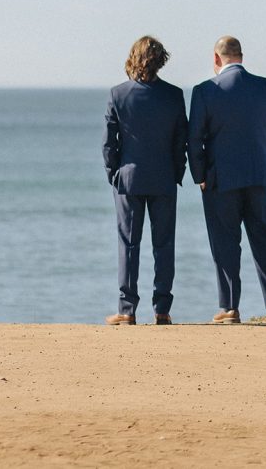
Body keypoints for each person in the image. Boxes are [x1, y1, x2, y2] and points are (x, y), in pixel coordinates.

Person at [188, 36, 266, 325]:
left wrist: (200, 176)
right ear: (242, 56)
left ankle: (229, 308)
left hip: (219, 180)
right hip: (260, 178)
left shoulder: (204, 91)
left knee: (225, 242)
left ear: (216, 58)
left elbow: (194, 140)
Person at [101, 36, 188, 326]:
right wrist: (177, 172)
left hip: (129, 178)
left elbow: (109, 143)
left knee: (128, 244)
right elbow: (181, 142)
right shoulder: (174, 95)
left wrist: (113, 173)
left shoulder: (118, 94)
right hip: (163, 177)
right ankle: (162, 309)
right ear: (161, 60)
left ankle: (127, 310)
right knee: (164, 244)